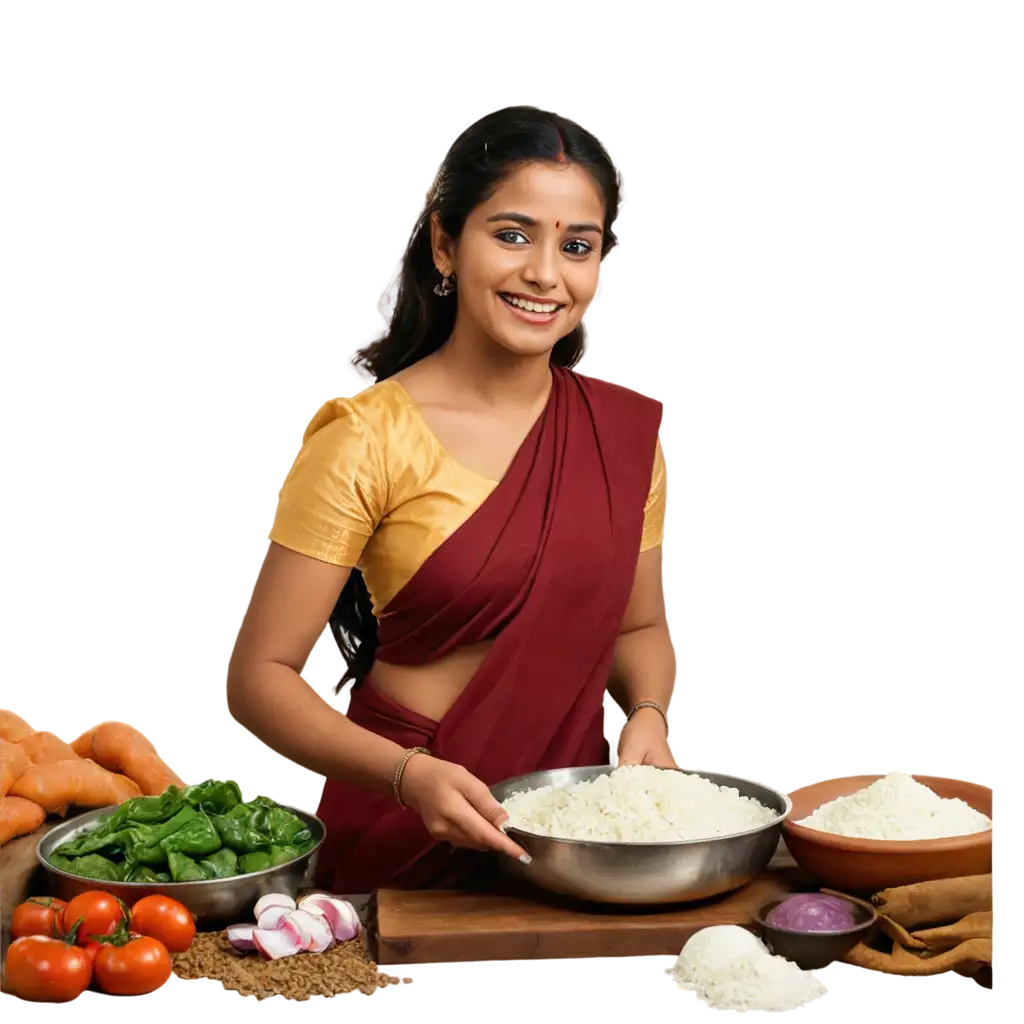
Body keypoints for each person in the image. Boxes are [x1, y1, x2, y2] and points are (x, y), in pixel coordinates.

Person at [224, 104, 675, 895]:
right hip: (405, 829)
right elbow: (260, 676)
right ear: (444, 243)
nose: (545, 272)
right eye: (512, 234)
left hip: (575, 829)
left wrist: (649, 716)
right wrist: (409, 776)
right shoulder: (367, 436)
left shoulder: (623, 437)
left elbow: (638, 624)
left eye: (578, 246)